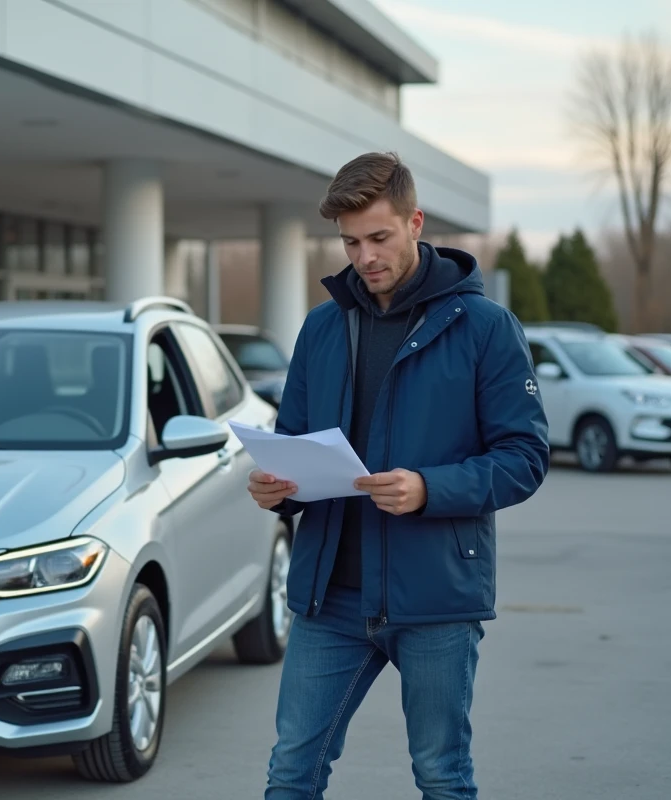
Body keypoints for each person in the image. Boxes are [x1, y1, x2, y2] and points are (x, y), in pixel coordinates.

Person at [250, 152, 549, 800]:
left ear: (415, 223)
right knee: (291, 772)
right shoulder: (322, 327)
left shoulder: (485, 328)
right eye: (350, 242)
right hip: (330, 598)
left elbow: (525, 457)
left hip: (435, 597)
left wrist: (428, 489)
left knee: (442, 776)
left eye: (379, 237)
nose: (364, 257)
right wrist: (276, 489)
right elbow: (293, 443)